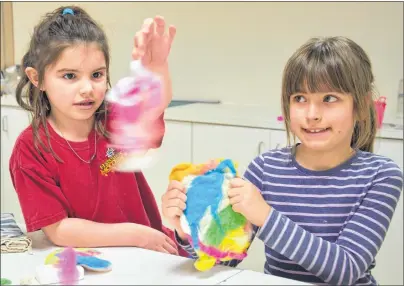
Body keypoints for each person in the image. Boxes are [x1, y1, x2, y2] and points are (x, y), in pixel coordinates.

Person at [161, 36, 403, 284]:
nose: (312, 114)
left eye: (329, 98)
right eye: (300, 98)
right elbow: (225, 259)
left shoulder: (381, 175)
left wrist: (265, 216)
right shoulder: (266, 169)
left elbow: (346, 269)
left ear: (361, 106)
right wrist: (185, 229)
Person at [10, 5, 187, 257]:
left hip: (150, 254)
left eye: (96, 75)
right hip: (101, 259)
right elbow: (59, 230)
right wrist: (135, 235)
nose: (87, 89)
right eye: (70, 76)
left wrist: (157, 70)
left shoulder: (114, 120)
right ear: (37, 78)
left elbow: (153, 105)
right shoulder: (31, 148)